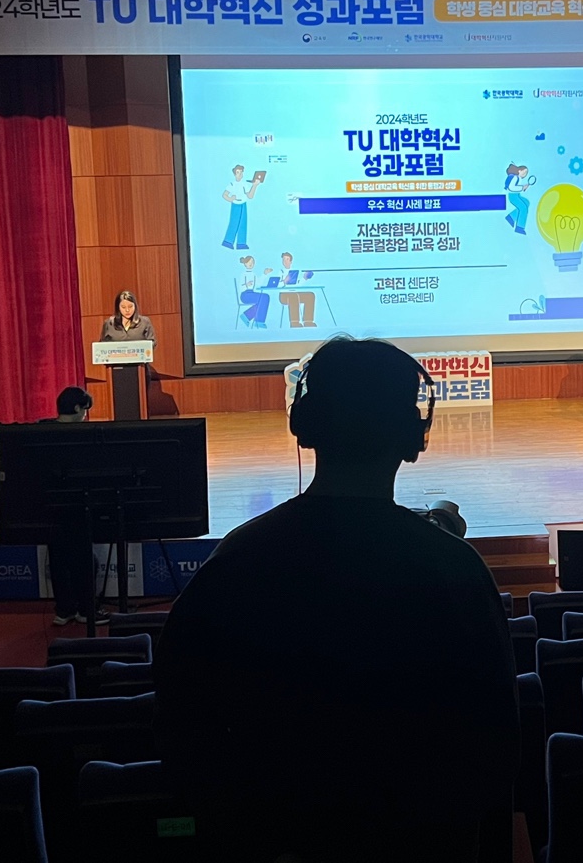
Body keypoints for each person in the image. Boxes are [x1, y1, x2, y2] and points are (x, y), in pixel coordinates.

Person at [154, 337, 519, 862]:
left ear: (303, 425)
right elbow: (495, 745)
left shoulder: (235, 563)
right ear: (413, 437)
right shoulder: (457, 572)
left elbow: (181, 727)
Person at [44, 386, 109, 627]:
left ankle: (64, 610)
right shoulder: (83, 436)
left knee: (58, 560)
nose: (85, 415)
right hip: (77, 507)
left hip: (50, 509)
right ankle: (87, 610)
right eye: (85, 410)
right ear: (76, 408)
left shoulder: (42, 431)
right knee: (84, 560)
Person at [221, 164, 262, 250]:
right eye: (237, 172)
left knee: (243, 224)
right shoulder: (232, 184)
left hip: (243, 204)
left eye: (241, 172)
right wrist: (230, 198)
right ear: (234, 174)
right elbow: (224, 195)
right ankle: (228, 241)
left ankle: (241, 243)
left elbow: (250, 196)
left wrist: (255, 185)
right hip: (235, 205)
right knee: (234, 222)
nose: (239, 174)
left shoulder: (244, 184)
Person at [276, 250, 316, 327]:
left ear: (291, 261)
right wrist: (284, 282)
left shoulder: (295, 272)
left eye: (287, 259)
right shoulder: (280, 272)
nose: (285, 261)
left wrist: (305, 277)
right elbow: (277, 285)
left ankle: (308, 321)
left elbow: (298, 284)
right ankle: (294, 322)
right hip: (284, 295)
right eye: (283, 260)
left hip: (295, 293)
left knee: (310, 295)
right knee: (293, 296)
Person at [237, 255, 272, 328]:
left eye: (252, 262)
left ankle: (246, 316)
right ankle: (259, 321)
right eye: (249, 262)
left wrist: (265, 274)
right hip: (245, 295)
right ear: (245, 264)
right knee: (264, 298)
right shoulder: (243, 274)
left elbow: (258, 284)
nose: (251, 264)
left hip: (252, 293)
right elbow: (240, 288)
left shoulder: (253, 274)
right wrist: (246, 285)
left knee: (265, 297)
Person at [504, 162, 533, 234]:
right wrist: (522, 188)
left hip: (517, 195)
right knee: (523, 208)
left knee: (526, 202)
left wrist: (523, 188)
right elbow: (511, 187)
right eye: (524, 172)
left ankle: (511, 217)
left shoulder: (518, 178)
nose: (525, 174)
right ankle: (520, 227)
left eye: (526, 173)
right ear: (519, 170)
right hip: (513, 196)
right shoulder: (515, 177)